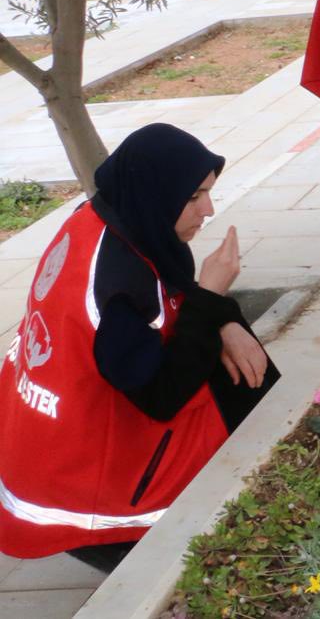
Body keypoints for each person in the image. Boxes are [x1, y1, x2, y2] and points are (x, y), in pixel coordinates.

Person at [0, 124, 278, 570]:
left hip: (47, 429)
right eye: (193, 197)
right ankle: (145, 548)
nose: (208, 210)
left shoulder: (106, 217)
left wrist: (223, 318)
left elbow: (173, 289)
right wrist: (211, 298)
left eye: (208, 192)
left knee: (233, 354)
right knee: (233, 382)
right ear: (155, 194)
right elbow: (162, 397)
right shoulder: (119, 289)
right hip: (79, 479)